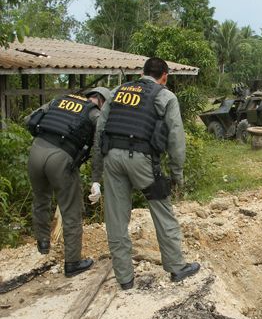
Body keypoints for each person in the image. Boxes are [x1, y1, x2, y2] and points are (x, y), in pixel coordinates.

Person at [90, 57, 200, 290]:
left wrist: (95, 176)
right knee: (162, 211)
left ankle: (125, 279)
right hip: (142, 160)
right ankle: (177, 267)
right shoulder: (165, 96)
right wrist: (177, 174)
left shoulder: (117, 91)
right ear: (164, 76)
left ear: (142, 73)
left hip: (112, 159)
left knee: (116, 219)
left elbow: (100, 131)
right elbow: (176, 139)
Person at [25, 87, 110, 277]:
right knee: (71, 210)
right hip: (61, 159)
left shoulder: (60, 100)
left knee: (41, 199)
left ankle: (43, 243)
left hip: (36, 151)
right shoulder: (95, 115)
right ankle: (72, 263)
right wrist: (96, 180)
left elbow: (29, 119)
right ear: (103, 101)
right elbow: (98, 149)